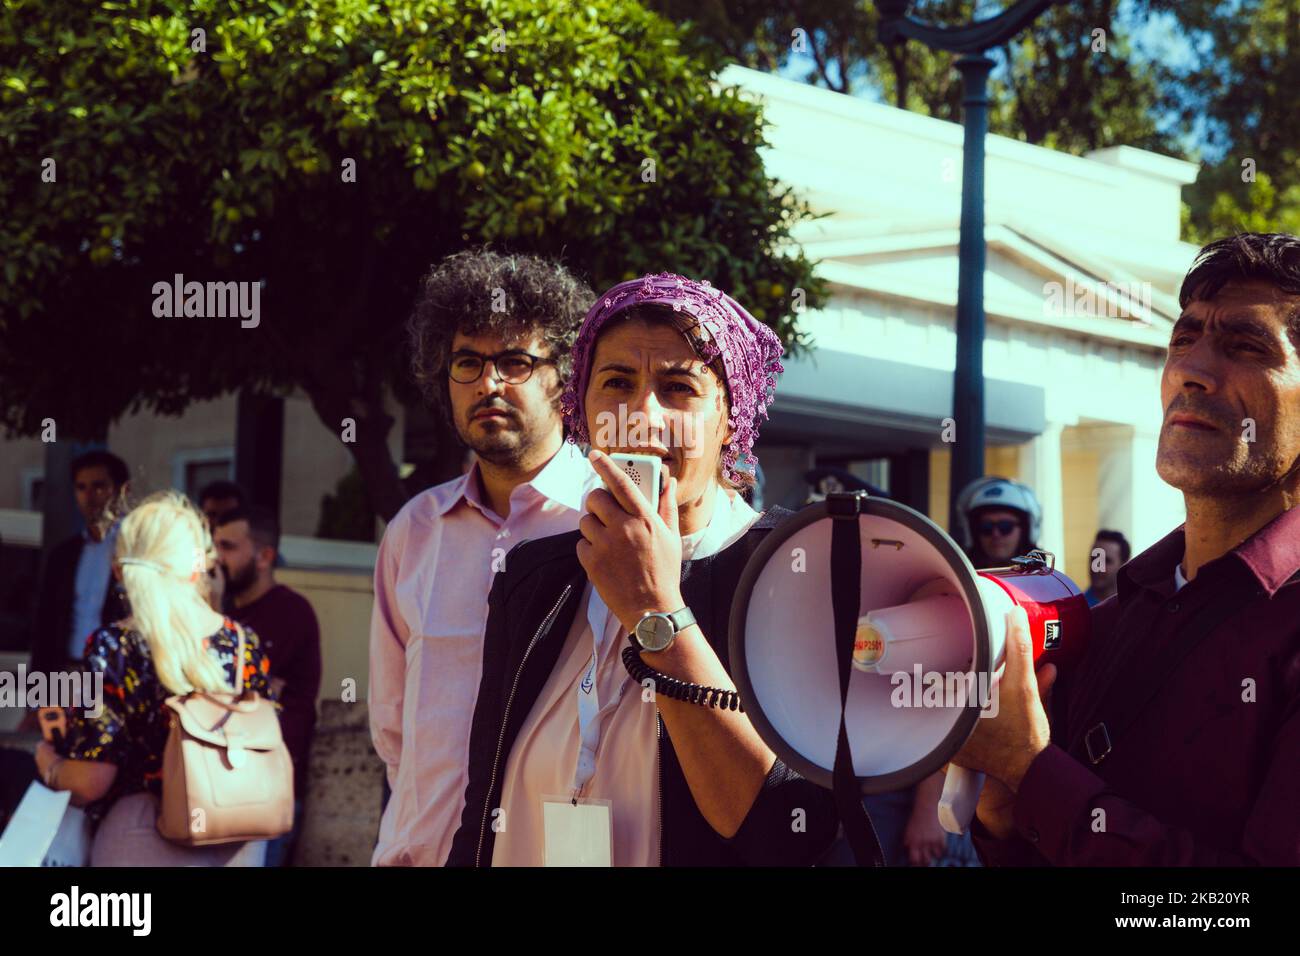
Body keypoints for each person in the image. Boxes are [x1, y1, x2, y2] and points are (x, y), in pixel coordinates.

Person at [445, 273, 839, 867]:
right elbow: (483, 806)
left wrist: (655, 610)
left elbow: (786, 831)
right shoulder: (535, 576)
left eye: (679, 387)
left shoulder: (797, 566)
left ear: (729, 419)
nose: (642, 415)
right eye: (617, 383)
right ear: (582, 410)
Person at [960, 232, 1300, 865]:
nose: (1190, 372)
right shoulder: (1107, 621)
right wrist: (1007, 822)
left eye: (1247, 346)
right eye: (1183, 339)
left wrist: (1036, 776)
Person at [369, 249, 600, 867]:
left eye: (515, 362)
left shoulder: (609, 520)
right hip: (419, 850)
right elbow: (392, 728)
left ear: (565, 377)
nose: (488, 383)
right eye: (468, 362)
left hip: (557, 855)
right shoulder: (414, 530)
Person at [33, 491, 278, 866]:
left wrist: (49, 764)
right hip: (237, 837)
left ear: (119, 571)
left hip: (142, 836)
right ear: (198, 569)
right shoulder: (244, 644)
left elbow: (91, 779)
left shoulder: (114, 647)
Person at [214, 505, 321, 867]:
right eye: (213, 546)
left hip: (268, 787)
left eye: (228, 547)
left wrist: (235, 695)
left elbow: (241, 696)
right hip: (217, 782)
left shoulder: (292, 612)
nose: (216, 558)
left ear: (264, 556)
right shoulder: (221, 613)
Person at [30, 451, 132, 678]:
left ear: (120, 490)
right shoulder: (64, 555)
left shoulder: (135, 549)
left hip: (116, 674)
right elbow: (45, 624)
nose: (89, 496)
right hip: (67, 671)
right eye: (81, 487)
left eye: (99, 487)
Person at [954, 476, 1043, 569]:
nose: (995, 534)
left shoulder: (1047, 580)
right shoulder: (956, 579)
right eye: (986, 527)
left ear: (1025, 531)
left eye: (1005, 526)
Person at [1082, 529, 1129, 607]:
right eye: (1094, 558)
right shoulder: (1076, 609)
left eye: (1106, 561)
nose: (1097, 566)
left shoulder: (1135, 606)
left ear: (1124, 565)